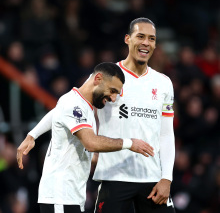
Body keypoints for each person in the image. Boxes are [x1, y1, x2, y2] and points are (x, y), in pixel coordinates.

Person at [18, 17, 176, 213]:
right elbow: (67, 107)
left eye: (151, 39)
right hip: (113, 177)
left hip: (152, 178)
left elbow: (167, 134)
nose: (146, 43)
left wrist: (166, 177)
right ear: (128, 39)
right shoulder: (109, 77)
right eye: (140, 36)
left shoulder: (163, 84)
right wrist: (33, 134)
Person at [17, 62, 154, 213]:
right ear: (98, 79)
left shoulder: (81, 104)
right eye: (112, 91)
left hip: (71, 197)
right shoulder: (75, 104)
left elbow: (57, 112)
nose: (114, 98)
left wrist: (32, 135)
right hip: (61, 197)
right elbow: (90, 143)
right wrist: (130, 143)